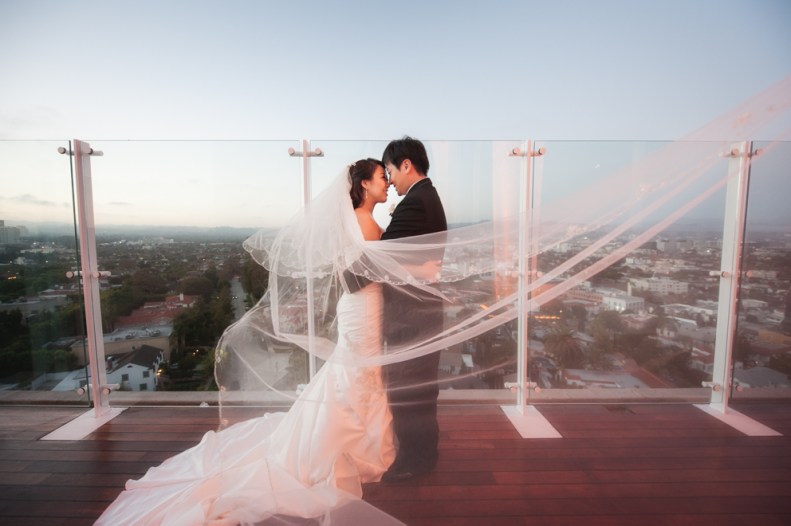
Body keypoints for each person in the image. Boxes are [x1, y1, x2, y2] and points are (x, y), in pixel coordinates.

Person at [95, 159, 401, 525]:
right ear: (364, 184)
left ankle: (347, 437)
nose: (387, 183)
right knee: (358, 371)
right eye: (382, 177)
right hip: (363, 308)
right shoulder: (365, 223)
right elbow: (363, 275)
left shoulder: (351, 221)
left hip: (359, 308)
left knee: (354, 371)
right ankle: (353, 445)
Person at [380, 137, 448, 482]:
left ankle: (414, 461)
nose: (390, 180)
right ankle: (424, 450)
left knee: (407, 388)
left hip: (412, 312)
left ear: (406, 164)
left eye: (390, 171)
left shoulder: (415, 204)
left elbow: (379, 257)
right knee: (420, 386)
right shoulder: (427, 196)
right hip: (422, 308)